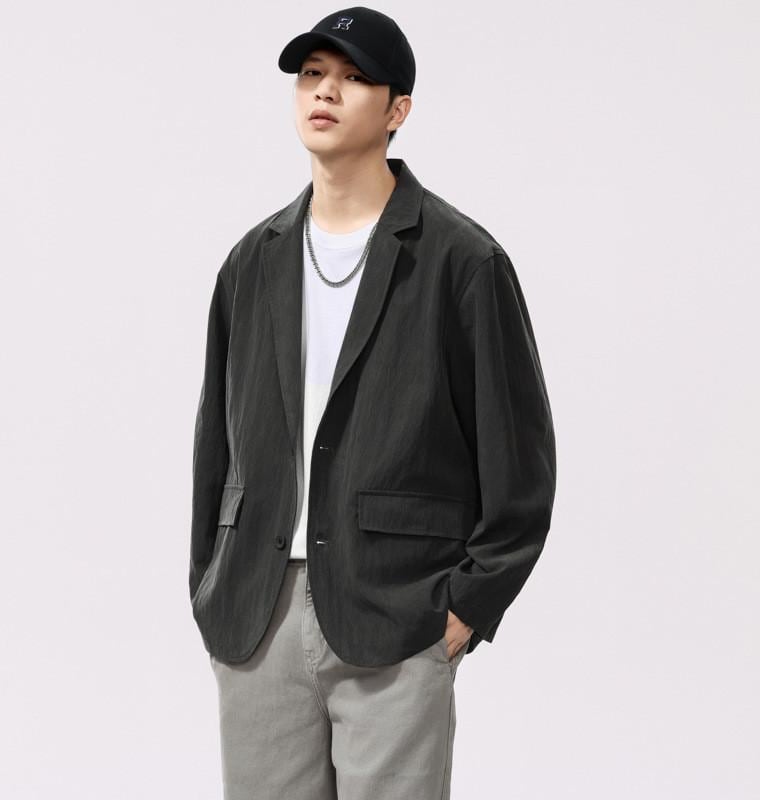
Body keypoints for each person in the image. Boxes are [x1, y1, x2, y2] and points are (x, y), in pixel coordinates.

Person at [189, 7, 557, 799]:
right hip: (256, 618)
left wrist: (466, 607)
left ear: (398, 111)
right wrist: (211, 586)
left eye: (354, 78)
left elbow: (520, 459)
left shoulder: (462, 261)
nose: (325, 91)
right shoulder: (252, 262)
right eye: (312, 74)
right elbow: (214, 448)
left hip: (397, 612)